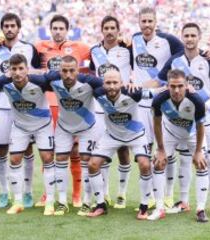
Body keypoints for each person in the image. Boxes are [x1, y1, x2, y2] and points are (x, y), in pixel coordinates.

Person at [158, 22, 210, 217]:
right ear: (182, 37)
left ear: (199, 37)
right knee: (185, 160)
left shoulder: (209, 59)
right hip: (184, 120)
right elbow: (162, 82)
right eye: (186, 35)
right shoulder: (175, 60)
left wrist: (207, 104)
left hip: (208, 118)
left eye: (192, 35)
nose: (189, 39)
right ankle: (184, 201)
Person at [35, 15, 91, 208]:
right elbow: (19, 54)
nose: (58, 31)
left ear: (67, 30)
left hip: (71, 106)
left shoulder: (80, 48)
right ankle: (47, 193)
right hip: (48, 105)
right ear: (50, 30)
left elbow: (102, 56)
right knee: (48, 152)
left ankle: (76, 195)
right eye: (55, 28)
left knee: (74, 151)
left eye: (61, 28)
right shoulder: (40, 47)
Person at [131, 7, 185, 208]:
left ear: (155, 22)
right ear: (139, 22)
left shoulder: (167, 40)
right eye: (143, 21)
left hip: (162, 101)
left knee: (167, 151)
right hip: (140, 104)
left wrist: (163, 74)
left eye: (149, 21)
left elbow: (184, 50)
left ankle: (169, 195)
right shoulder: (134, 40)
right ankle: (150, 197)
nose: (146, 25)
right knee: (144, 153)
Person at [0, 54, 56, 215]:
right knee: (14, 159)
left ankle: (50, 202)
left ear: (27, 69)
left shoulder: (40, 82)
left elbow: (58, 77)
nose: (18, 72)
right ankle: (18, 201)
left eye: (21, 68)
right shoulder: (4, 83)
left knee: (47, 158)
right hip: (20, 126)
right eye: (14, 69)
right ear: (9, 71)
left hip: (42, 125)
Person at [0, 13, 41, 209]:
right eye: (6, 26)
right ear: (2, 29)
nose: (9, 29)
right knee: (1, 150)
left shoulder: (29, 48)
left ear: (19, 28)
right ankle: (4, 192)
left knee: (26, 149)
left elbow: (37, 73)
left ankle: (27, 192)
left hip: (23, 106)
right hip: (2, 106)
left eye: (13, 26)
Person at [87, 70, 153, 219]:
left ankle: (144, 206)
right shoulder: (98, 93)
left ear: (121, 83)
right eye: (108, 83)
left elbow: (159, 92)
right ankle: (100, 205)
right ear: (103, 84)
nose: (111, 86)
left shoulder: (133, 93)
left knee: (145, 164)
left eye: (115, 82)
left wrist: (188, 89)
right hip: (111, 135)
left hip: (136, 135)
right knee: (92, 164)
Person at [43, 55, 104, 216]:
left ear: (78, 70)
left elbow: (109, 87)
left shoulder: (89, 82)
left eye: (72, 70)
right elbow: (34, 79)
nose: (68, 75)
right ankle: (62, 201)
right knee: (60, 159)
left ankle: (86, 201)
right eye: (64, 71)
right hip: (64, 126)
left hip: (87, 127)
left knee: (85, 161)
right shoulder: (52, 81)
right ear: (59, 71)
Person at [150, 69, 209, 223]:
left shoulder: (197, 100)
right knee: (158, 162)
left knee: (201, 163)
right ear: (167, 86)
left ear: (187, 85)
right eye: (173, 86)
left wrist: (198, 152)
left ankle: (200, 209)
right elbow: (156, 125)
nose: (176, 90)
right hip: (170, 132)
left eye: (180, 86)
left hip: (192, 134)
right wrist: (161, 149)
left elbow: (201, 126)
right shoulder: (159, 100)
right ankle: (159, 208)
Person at [89, 15, 133, 208]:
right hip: (100, 107)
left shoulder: (127, 48)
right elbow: (92, 72)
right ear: (102, 30)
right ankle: (105, 193)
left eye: (112, 28)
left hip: (123, 105)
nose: (109, 31)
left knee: (124, 151)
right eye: (105, 28)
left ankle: (122, 194)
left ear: (118, 30)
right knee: (102, 150)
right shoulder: (94, 51)